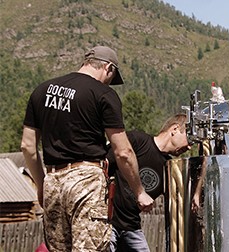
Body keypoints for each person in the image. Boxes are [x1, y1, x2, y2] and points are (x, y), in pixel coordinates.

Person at [20, 45, 153, 251]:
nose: (110, 82)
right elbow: (123, 152)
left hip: (53, 182)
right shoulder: (103, 94)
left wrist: (41, 186)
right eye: (112, 76)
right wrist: (139, 192)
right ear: (108, 68)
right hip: (87, 181)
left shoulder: (41, 90)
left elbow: (28, 147)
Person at [108, 114, 192, 252]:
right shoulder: (137, 141)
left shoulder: (170, 167)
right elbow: (101, 167)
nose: (189, 147)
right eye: (189, 139)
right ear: (175, 129)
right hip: (108, 222)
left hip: (131, 226)